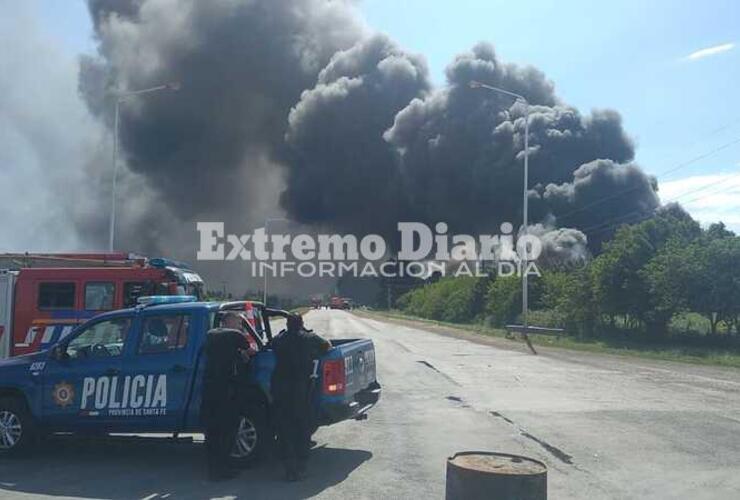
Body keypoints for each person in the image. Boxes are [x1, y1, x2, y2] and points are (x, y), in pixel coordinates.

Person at [271, 314, 331, 481]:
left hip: (281, 390)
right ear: (302, 324)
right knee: (302, 429)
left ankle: (289, 469)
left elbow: (270, 346)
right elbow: (327, 346)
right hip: (301, 391)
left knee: (285, 430)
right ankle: (301, 466)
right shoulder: (309, 337)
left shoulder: (279, 339)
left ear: (287, 324)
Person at [201, 311, 255, 481]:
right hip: (227, 390)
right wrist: (244, 355)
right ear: (230, 321)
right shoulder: (235, 335)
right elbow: (251, 352)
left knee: (212, 433)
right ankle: (223, 469)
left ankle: (213, 469)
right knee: (228, 430)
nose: (240, 326)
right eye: (239, 323)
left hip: (210, 390)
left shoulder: (211, 334)